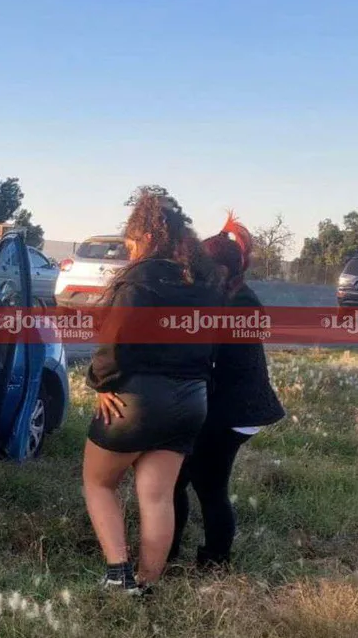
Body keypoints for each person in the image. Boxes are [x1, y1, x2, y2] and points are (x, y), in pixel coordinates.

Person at [83, 185, 222, 595]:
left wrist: (100, 383)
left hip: (136, 398)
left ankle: (117, 573)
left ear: (143, 237)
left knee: (99, 483)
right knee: (157, 498)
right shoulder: (204, 282)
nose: (127, 250)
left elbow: (115, 339)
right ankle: (146, 584)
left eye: (129, 242)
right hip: (192, 399)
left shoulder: (140, 280)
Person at [170, 214, 285, 569]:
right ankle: (194, 555)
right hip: (236, 408)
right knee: (187, 480)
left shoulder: (238, 304)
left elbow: (209, 355)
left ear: (221, 268)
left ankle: (208, 559)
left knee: (199, 483)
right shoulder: (232, 295)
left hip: (236, 410)